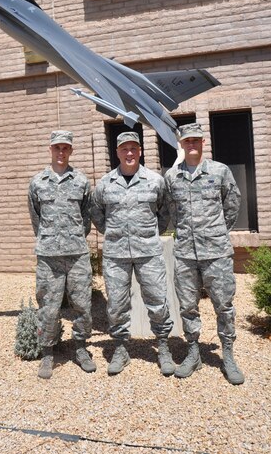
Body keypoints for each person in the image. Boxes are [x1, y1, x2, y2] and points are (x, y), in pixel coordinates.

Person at [164, 122, 244, 385]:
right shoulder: (172, 177)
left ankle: (228, 355)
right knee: (188, 306)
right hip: (186, 253)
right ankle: (193, 351)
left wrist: (215, 231)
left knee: (223, 305)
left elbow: (232, 204)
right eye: (187, 141)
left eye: (196, 140)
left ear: (203, 143)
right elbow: (173, 212)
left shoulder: (220, 171)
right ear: (182, 145)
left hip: (216, 253)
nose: (192, 145)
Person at [91, 131, 175, 376]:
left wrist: (147, 235)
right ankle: (120, 348)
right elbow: (97, 214)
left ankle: (163, 346)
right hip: (116, 256)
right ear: (117, 152)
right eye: (124, 149)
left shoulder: (155, 181)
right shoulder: (105, 183)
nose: (129, 153)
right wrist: (114, 233)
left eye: (133, 148)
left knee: (158, 301)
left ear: (140, 151)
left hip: (148, 252)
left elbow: (165, 212)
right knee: (116, 305)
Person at [28, 130, 96, 379]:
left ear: (71, 151)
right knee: (48, 305)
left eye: (65, 148)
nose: (61, 152)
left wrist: (73, 237)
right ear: (51, 149)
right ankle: (48, 352)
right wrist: (50, 239)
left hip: (77, 254)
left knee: (82, 304)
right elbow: (36, 217)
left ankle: (80, 347)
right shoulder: (37, 182)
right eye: (57, 147)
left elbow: (86, 217)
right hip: (49, 257)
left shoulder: (81, 181)